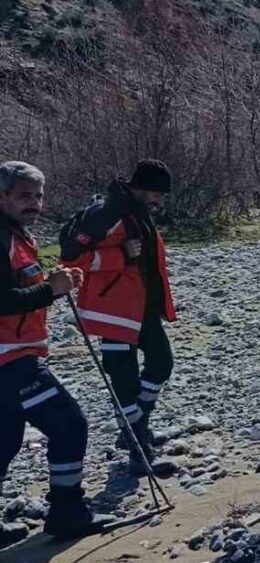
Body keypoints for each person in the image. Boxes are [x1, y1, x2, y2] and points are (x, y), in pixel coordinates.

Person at [0, 161, 101, 539]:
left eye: (38, 195)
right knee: (69, 423)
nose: (34, 203)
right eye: (24, 195)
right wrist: (51, 289)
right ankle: (67, 513)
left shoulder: (17, 234)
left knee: (5, 440)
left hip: (15, 353)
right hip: (9, 360)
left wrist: (56, 284)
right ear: (2, 196)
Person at [60, 160, 176, 476]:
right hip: (114, 311)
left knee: (162, 362)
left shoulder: (135, 210)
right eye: (156, 194)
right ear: (141, 187)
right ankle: (138, 447)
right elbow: (70, 258)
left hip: (142, 310)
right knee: (124, 380)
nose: (158, 201)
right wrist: (120, 255)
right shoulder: (107, 213)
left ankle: (136, 426)